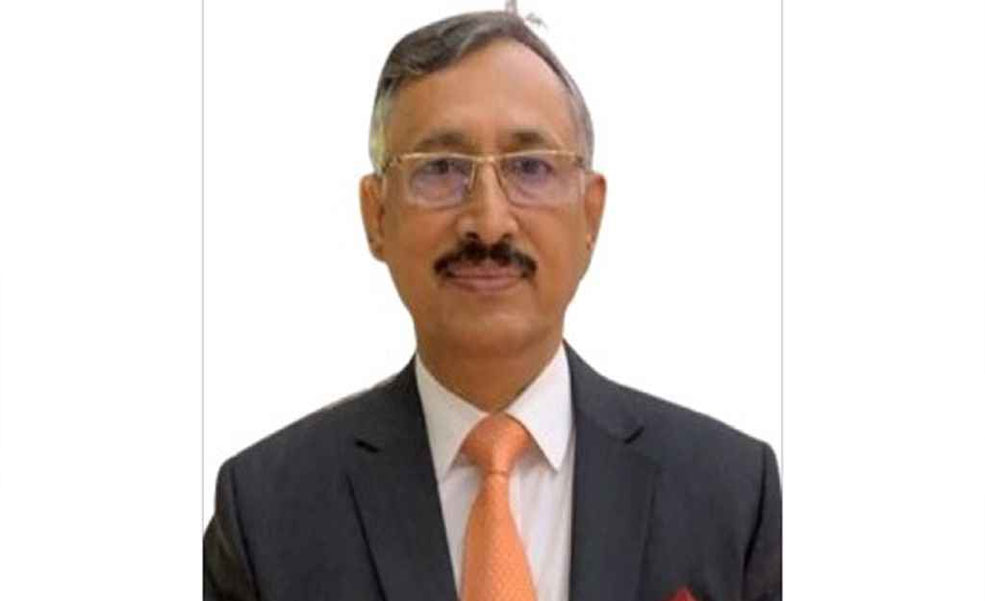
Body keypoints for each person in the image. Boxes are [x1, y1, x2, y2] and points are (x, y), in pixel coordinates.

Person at [203, 9, 781, 601]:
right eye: (441, 169)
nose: (488, 222)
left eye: (530, 167)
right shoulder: (267, 515)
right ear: (376, 215)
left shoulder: (733, 497)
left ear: (590, 213)